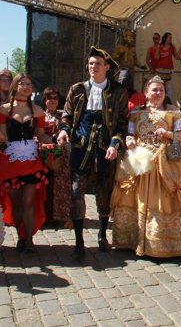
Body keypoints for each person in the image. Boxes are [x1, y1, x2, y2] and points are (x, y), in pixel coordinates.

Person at [110, 75, 181, 257]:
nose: (158, 93)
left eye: (161, 90)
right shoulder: (136, 113)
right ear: (146, 93)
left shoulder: (173, 112)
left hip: (165, 164)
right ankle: (134, 239)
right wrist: (130, 141)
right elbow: (129, 133)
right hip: (141, 163)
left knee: (163, 201)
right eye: (154, 90)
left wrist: (167, 133)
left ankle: (165, 244)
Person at [57, 47, 128, 260]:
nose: (92, 67)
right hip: (81, 149)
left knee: (104, 193)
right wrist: (64, 131)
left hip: (105, 150)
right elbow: (67, 116)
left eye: (97, 63)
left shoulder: (118, 91)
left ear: (107, 67)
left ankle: (102, 234)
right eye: (90, 63)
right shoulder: (77, 89)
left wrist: (115, 144)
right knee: (76, 192)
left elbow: (122, 123)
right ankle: (79, 242)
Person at [0, 74, 49, 253]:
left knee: (28, 201)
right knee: (16, 202)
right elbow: (3, 137)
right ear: (15, 86)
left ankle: (28, 240)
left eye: (30, 84)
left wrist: (54, 141)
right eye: (23, 84)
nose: (27, 87)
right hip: (10, 160)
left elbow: (41, 135)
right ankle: (21, 237)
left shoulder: (37, 110)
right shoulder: (4, 110)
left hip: (31, 159)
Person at [41, 86, 72, 224]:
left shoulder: (63, 116)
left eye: (55, 98)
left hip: (60, 154)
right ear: (44, 100)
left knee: (60, 184)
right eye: (49, 98)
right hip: (43, 153)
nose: (53, 100)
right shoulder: (39, 115)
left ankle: (59, 216)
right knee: (45, 185)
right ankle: (45, 216)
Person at [154, 32, 176, 102]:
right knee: (160, 86)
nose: (171, 39)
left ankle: (169, 103)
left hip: (168, 70)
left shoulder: (172, 47)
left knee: (169, 88)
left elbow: (176, 56)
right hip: (160, 70)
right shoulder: (159, 46)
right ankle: (159, 102)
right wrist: (158, 55)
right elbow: (156, 56)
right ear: (165, 38)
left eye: (171, 37)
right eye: (170, 37)